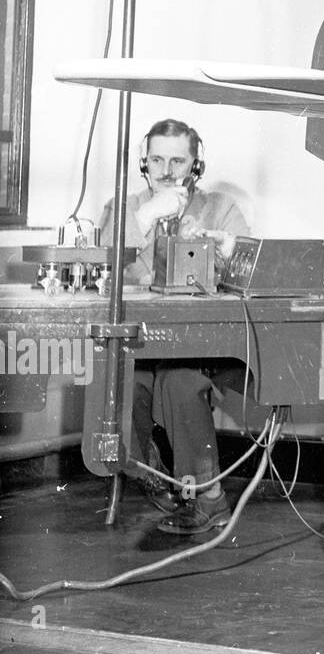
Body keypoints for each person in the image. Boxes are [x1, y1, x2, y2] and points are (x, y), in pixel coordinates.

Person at [100, 119, 250, 535]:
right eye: (157, 159)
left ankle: (210, 496)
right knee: (124, 385)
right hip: (138, 343)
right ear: (143, 162)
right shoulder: (122, 209)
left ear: (196, 165)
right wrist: (145, 218)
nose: (167, 170)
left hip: (200, 347)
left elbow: (249, 275)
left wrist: (224, 249)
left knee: (180, 383)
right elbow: (101, 265)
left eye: (178, 160)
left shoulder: (221, 208)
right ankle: (153, 475)